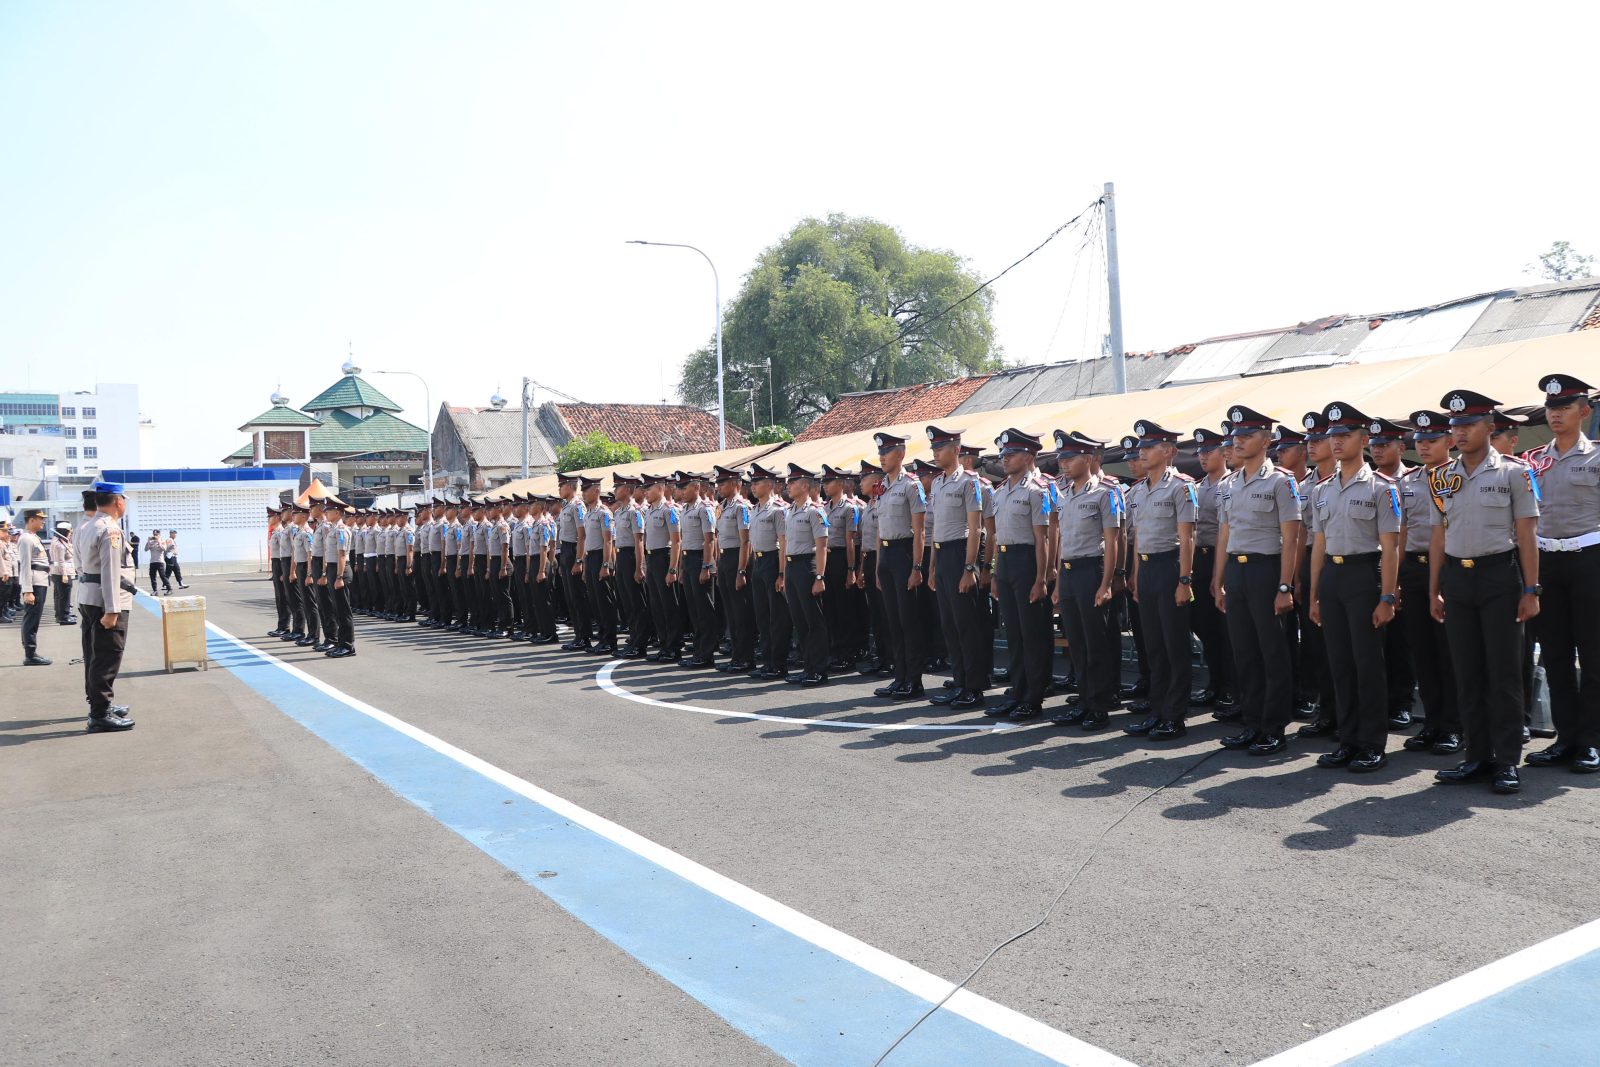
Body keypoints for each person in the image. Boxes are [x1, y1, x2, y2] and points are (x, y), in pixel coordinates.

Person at [1429, 389, 1541, 795]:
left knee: (1504, 673)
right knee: (1468, 670)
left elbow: (1527, 535)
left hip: (1499, 577)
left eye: (1468, 424)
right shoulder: (1442, 476)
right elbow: (1438, 536)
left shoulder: (1514, 472)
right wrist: (1434, 590)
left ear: (1489, 427)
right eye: (1455, 426)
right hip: (1457, 580)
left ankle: (1507, 760)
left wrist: (1531, 589)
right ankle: (1476, 756)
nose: (1459, 432)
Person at [1306, 402, 1403, 774]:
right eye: (1333, 437)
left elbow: (1391, 547)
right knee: (1340, 665)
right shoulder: (1322, 490)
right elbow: (1318, 545)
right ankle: (1347, 740)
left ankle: (1372, 743)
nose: (1336, 443)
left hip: (1365, 577)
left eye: (1345, 436)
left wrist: (1388, 596)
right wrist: (1315, 594)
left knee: (1367, 665)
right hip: (1332, 577)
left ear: (1364, 439)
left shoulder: (1382, 487)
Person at [1212, 406, 1302, 755]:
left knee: (1272, 651)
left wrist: (1285, 586)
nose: (1239, 442)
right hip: (1237, 570)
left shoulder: (1282, 481)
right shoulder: (1229, 483)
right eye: (1236, 436)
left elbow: (1291, 538)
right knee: (1244, 651)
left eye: (1247, 436)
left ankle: (1274, 726)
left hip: (1267, 571)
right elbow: (1224, 534)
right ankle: (1251, 722)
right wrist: (1218, 580)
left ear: (1266, 440)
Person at [1522, 374, 1600, 774]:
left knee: (1593, 653)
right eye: (1551, 408)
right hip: (1547, 561)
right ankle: (1565, 737)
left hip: (1590, 558)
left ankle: (1591, 740)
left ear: (1584, 412)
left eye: (1565, 407)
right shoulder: (1533, 459)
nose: (1555, 414)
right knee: (1554, 653)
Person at [1124, 420, 1198, 740]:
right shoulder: (1139, 490)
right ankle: (1156, 710)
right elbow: (1138, 536)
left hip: (1171, 567)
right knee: (1153, 645)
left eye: (1149, 446)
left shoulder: (1182, 486)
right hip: (1148, 568)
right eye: (1142, 446)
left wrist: (1185, 580)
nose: (1142, 451)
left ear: (1168, 451)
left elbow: (1188, 536)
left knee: (1174, 644)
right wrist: (1137, 577)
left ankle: (1174, 714)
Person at [1396, 411, 1462, 755]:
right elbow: (1401, 533)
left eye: (1431, 440)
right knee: (1422, 649)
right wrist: (1395, 581)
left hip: (1451, 568)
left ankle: (1454, 725)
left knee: (1449, 651)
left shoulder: (1459, 476)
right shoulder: (1407, 481)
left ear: (1449, 442)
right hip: (1414, 568)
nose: (1423, 447)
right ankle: (1433, 722)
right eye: (1418, 441)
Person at [1050, 430, 1125, 728]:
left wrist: (1107, 583)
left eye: (1069, 458)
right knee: (1077, 643)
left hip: (1091, 570)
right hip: (1068, 572)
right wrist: (1057, 583)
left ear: (1088, 459)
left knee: (1096, 642)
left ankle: (1099, 704)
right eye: (1061, 459)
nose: (1064, 464)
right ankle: (1084, 700)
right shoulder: (1063, 494)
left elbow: (1114, 540)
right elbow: (1062, 541)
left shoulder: (1104, 492)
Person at [985, 428, 1054, 721]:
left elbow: (1044, 538)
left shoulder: (1037, 490)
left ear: (1028, 456)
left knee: (1032, 633)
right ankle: (1018, 690)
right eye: (1003, 455)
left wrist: (1041, 578)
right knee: (1013, 633)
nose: (1005, 459)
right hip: (1006, 562)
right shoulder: (1000, 492)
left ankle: (1033, 697)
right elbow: (997, 537)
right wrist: (996, 574)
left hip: (1028, 561)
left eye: (1010, 454)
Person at [924, 426, 987, 710]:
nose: (935, 453)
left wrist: (970, 568)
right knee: (949, 625)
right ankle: (959, 681)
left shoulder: (969, 482)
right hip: (942, 554)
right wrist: (932, 566)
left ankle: (973, 687)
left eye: (941, 448)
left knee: (966, 625)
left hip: (961, 553)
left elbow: (976, 528)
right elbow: (936, 528)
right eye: (934, 448)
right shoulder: (937, 483)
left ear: (956, 450)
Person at [870, 433, 928, 701]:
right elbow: (880, 529)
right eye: (880, 452)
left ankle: (913, 681)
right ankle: (899, 677)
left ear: (901, 455)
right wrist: (879, 565)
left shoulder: (911, 485)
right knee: (893, 621)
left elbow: (920, 531)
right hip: (888, 555)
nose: (882, 457)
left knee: (909, 620)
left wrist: (917, 566)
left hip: (905, 553)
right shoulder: (880, 486)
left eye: (887, 452)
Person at [1369, 416, 1417, 728]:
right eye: (1373, 445)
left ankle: (1402, 702)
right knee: (1373, 643)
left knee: (1402, 641)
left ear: (1401, 446)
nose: (1377, 450)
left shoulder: (1414, 480)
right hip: (1369, 567)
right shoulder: (1366, 480)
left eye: (1384, 444)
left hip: (1406, 565)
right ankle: (1377, 702)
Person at [77, 482, 137, 732]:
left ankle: (99, 703)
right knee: (107, 655)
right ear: (117, 501)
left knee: (93, 655)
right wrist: (112, 610)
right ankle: (100, 714)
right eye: (123, 499)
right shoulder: (110, 530)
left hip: (88, 597)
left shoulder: (87, 525)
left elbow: (81, 565)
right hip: (107, 601)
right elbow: (110, 572)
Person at [1189, 428, 1235, 712]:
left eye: (1209, 451)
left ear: (1224, 453)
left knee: (1227, 631)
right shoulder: (1197, 486)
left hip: (1226, 559)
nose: (1203, 457)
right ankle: (1216, 682)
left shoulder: (1231, 483)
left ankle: (1231, 686)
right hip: (1200, 559)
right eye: (1200, 453)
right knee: (1204, 625)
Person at [779, 464, 830, 686]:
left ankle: (819, 669)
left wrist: (819, 577)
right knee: (799, 621)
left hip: (806, 566)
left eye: (793, 482)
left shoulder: (815, 511)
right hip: (791, 567)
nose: (788, 486)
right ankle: (807, 667)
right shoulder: (790, 511)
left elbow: (821, 546)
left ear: (805, 486)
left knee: (813, 621)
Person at [746, 465, 791, 680]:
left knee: (777, 616)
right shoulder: (754, 509)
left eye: (757, 482)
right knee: (762, 615)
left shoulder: (779, 509)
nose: (753, 487)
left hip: (774, 561)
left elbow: (784, 543)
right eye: (752, 483)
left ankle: (779, 663)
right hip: (758, 562)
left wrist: (782, 574)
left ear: (770, 484)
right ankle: (767, 661)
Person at [713, 466, 756, 673]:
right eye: (718, 483)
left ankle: (746, 657)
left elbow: (745, 541)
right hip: (724, 558)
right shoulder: (721, 506)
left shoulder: (742, 507)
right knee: (731, 611)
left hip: (738, 558)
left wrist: (741, 571)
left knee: (741, 612)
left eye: (723, 483)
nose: (719, 487)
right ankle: (736, 656)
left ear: (736, 484)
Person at [674, 473, 719, 668]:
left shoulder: (705, 509)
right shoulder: (684, 509)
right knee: (693, 609)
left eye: (685, 488)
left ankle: (706, 653)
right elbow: (684, 540)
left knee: (704, 609)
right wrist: (682, 568)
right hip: (688, 559)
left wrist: (706, 566)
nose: (681, 493)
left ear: (697, 488)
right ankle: (699, 649)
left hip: (701, 559)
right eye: (680, 489)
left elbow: (709, 539)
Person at [640, 473, 684, 663]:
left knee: (669, 606)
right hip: (651, 559)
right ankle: (664, 644)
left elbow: (676, 542)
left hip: (664, 558)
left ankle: (674, 647)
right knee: (657, 606)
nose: (646, 493)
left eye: (649, 489)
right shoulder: (649, 510)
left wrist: (673, 569)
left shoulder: (670, 510)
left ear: (660, 488)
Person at [577, 477, 619, 655]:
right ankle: (602, 637)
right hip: (591, 558)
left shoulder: (604, 513)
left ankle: (610, 640)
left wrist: (606, 565)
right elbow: (587, 542)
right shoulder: (588, 513)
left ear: (596, 491)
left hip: (601, 557)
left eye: (586, 491)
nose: (583, 494)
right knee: (595, 601)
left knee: (605, 602)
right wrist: (585, 566)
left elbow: (608, 540)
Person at [17, 509, 52, 665]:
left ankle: (31, 652)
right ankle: (30, 654)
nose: (42, 522)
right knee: (31, 619)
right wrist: (27, 590)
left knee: (34, 618)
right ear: (31, 520)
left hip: (40, 580)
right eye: (40, 519)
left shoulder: (34, 538)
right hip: (34, 583)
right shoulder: (26, 539)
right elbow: (25, 566)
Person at [48, 520, 77, 626]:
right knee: (64, 596)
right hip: (62, 573)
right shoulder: (59, 544)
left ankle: (61, 615)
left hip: (59, 572)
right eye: (69, 532)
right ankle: (64, 617)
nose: (70, 534)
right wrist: (64, 574)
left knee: (60, 595)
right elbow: (60, 561)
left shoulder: (60, 541)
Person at [146, 527, 170, 594]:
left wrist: (159, 542)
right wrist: (148, 541)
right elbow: (146, 549)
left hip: (160, 561)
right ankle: (155, 590)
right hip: (152, 561)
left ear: (159, 535)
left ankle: (169, 588)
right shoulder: (151, 542)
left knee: (162, 576)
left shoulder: (162, 541)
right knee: (152, 576)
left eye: (156, 534)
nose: (155, 535)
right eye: (154, 534)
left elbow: (164, 549)